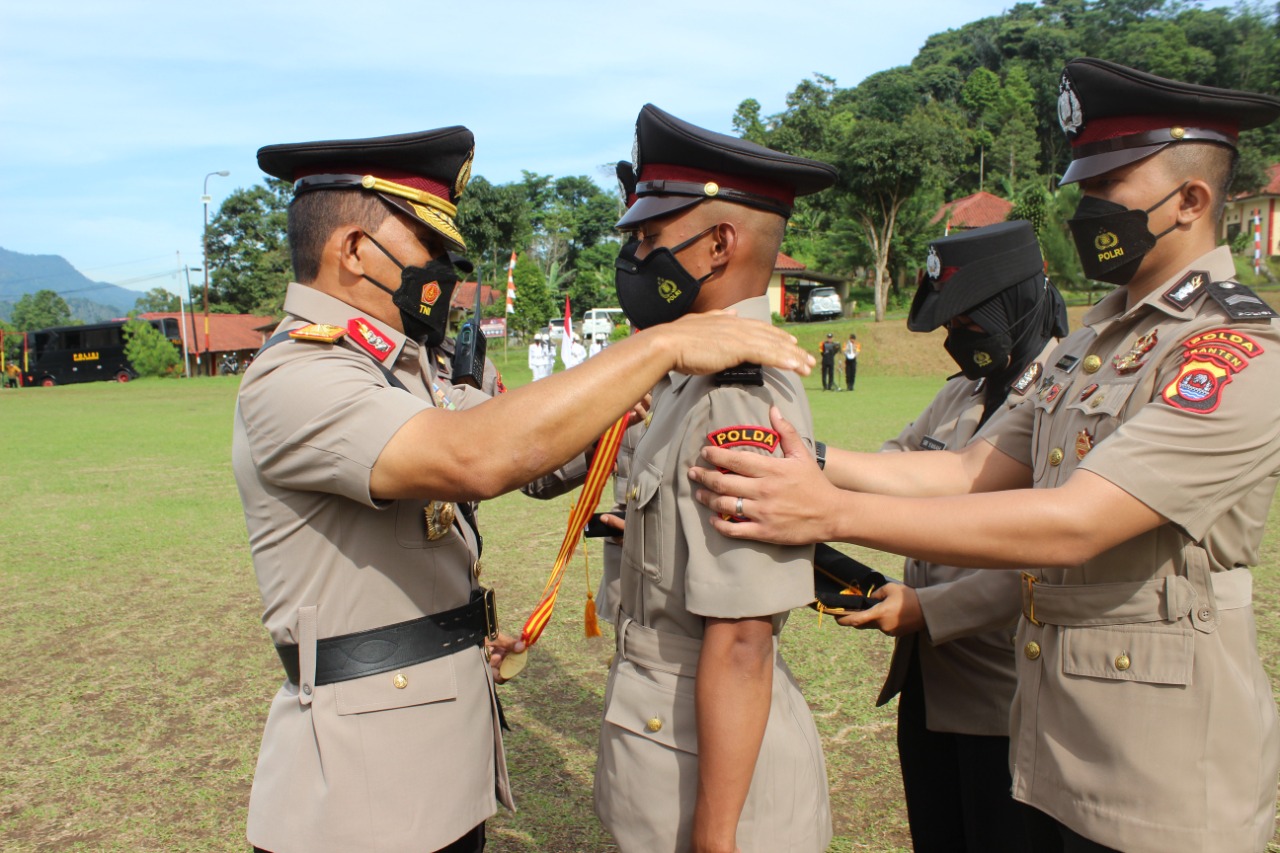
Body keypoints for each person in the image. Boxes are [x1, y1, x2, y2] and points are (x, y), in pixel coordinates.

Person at [691, 59, 1280, 853]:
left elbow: (1076, 522)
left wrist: (832, 511)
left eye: (1110, 184)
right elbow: (967, 471)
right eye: (1084, 183)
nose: (1087, 207)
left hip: (1167, 773)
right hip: (1058, 745)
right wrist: (813, 458)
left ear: (1191, 200)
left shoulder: (1235, 350)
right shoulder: (1089, 345)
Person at [233, 126, 814, 853]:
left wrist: (660, 404)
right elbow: (478, 456)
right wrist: (660, 346)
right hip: (362, 793)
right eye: (429, 244)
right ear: (352, 250)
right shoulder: (302, 377)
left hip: (435, 758)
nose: (444, 269)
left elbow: (536, 456)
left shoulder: (403, 370)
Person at [593, 103, 837, 853]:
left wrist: (717, 837)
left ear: (718, 245)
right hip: (669, 744)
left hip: (717, 786)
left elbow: (741, 638)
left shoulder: (735, 391)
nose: (635, 256)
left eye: (650, 238)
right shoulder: (682, 376)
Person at [847, 220, 1067, 853]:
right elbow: (893, 464)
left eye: (968, 320)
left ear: (1015, 302)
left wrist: (927, 608)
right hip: (930, 678)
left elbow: (1051, 554)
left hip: (1008, 690)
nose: (955, 338)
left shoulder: (1064, 397)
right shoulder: (962, 395)